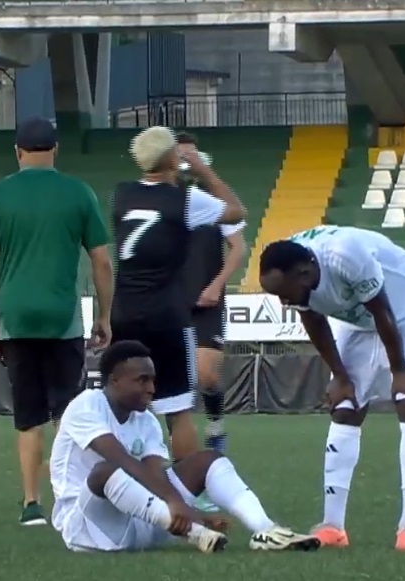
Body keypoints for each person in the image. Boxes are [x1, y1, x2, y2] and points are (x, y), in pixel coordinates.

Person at [258, 225, 405, 551]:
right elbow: (313, 321)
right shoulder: (296, 267)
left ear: (304, 273)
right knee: (345, 407)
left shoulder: (346, 254)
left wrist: (399, 369)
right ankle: (333, 527)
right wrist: (340, 377)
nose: (283, 302)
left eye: (284, 293)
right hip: (358, 317)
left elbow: (382, 311)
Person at [0, 116, 114, 526]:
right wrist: (104, 316)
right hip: (62, 319)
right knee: (69, 416)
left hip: (16, 319)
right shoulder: (78, 193)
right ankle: (76, 498)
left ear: (17, 151)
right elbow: (102, 262)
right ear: (56, 150)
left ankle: (31, 504)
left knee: (27, 416)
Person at [49, 339, 321, 553]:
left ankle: (266, 531)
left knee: (207, 460)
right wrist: (179, 504)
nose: (152, 388)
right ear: (114, 381)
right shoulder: (86, 406)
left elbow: (155, 472)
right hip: (88, 529)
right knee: (104, 471)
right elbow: (121, 460)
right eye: (142, 380)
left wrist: (187, 507)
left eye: (153, 380)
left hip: (147, 521)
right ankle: (195, 532)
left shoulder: (147, 421)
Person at [110, 126, 246, 465]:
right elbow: (236, 210)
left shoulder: (122, 194)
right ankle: (185, 491)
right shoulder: (186, 199)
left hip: (124, 310)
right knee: (177, 409)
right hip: (166, 313)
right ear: (173, 159)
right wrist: (202, 170)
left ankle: (123, 482)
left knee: (122, 403)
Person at [177, 132, 247, 457]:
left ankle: (216, 427)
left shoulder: (215, 202)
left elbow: (238, 247)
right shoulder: (163, 199)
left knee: (206, 373)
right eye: (181, 157)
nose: (187, 163)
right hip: (170, 300)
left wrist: (217, 285)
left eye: (193, 157)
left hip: (206, 301)